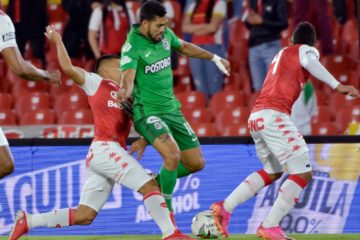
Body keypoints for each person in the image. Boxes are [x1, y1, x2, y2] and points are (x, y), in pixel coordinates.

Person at [9, 25, 193, 240]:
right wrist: (58, 41)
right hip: (104, 147)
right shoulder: (97, 82)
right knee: (150, 185)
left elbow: (146, 121)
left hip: (105, 154)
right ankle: (171, 233)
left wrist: (143, 139)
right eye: (119, 65)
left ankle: (29, 221)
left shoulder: (130, 96)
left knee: (85, 215)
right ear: (106, 69)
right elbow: (68, 68)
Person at [210, 22, 360, 239]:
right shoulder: (304, 50)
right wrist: (339, 86)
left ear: (290, 40)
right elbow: (309, 59)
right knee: (303, 172)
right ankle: (269, 225)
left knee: (273, 170)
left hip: (256, 117)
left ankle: (225, 207)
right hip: (274, 115)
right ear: (312, 44)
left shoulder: (280, 54)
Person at [118, 0, 230, 222]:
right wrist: (125, 90)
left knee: (196, 163)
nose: (163, 30)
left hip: (171, 109)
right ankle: (167, 218)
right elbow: (128, 76)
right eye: (159, 25)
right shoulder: (132, 46)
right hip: (147, 113)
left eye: (164, 25)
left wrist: (214, 57)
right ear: (145, 23)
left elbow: (185, 47)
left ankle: (156, 184)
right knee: (172, 155)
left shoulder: (166, 35)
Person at [0, 10, 60, 180]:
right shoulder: (1, 20)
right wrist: (46, 74)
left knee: (5, 164)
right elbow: (19, 67)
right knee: (4, 164)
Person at [182, 0, 227, 101]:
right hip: (195, 48)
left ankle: (215, 113)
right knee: (200, 88)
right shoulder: (193, 5)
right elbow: (184, 28)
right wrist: (204, 26)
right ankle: (206, 113)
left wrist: (193, 29)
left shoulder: (219, 3)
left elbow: (212, 28)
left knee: (214, 87)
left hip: (213, 47)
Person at [244, 0, 288, 92]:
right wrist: (248, 21)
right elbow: (249, 25)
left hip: (271, 45)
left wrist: (263, 21)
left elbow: (284, 23)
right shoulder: (252, 1)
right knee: (258, 87)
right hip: (254, 46)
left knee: (273, 85)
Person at [7, 0, 48, 67]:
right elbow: (11, 7)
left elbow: (41, 10)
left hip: (34, 27)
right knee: (18, 57)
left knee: (38, 56)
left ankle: (42, 72)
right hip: (16, 26)